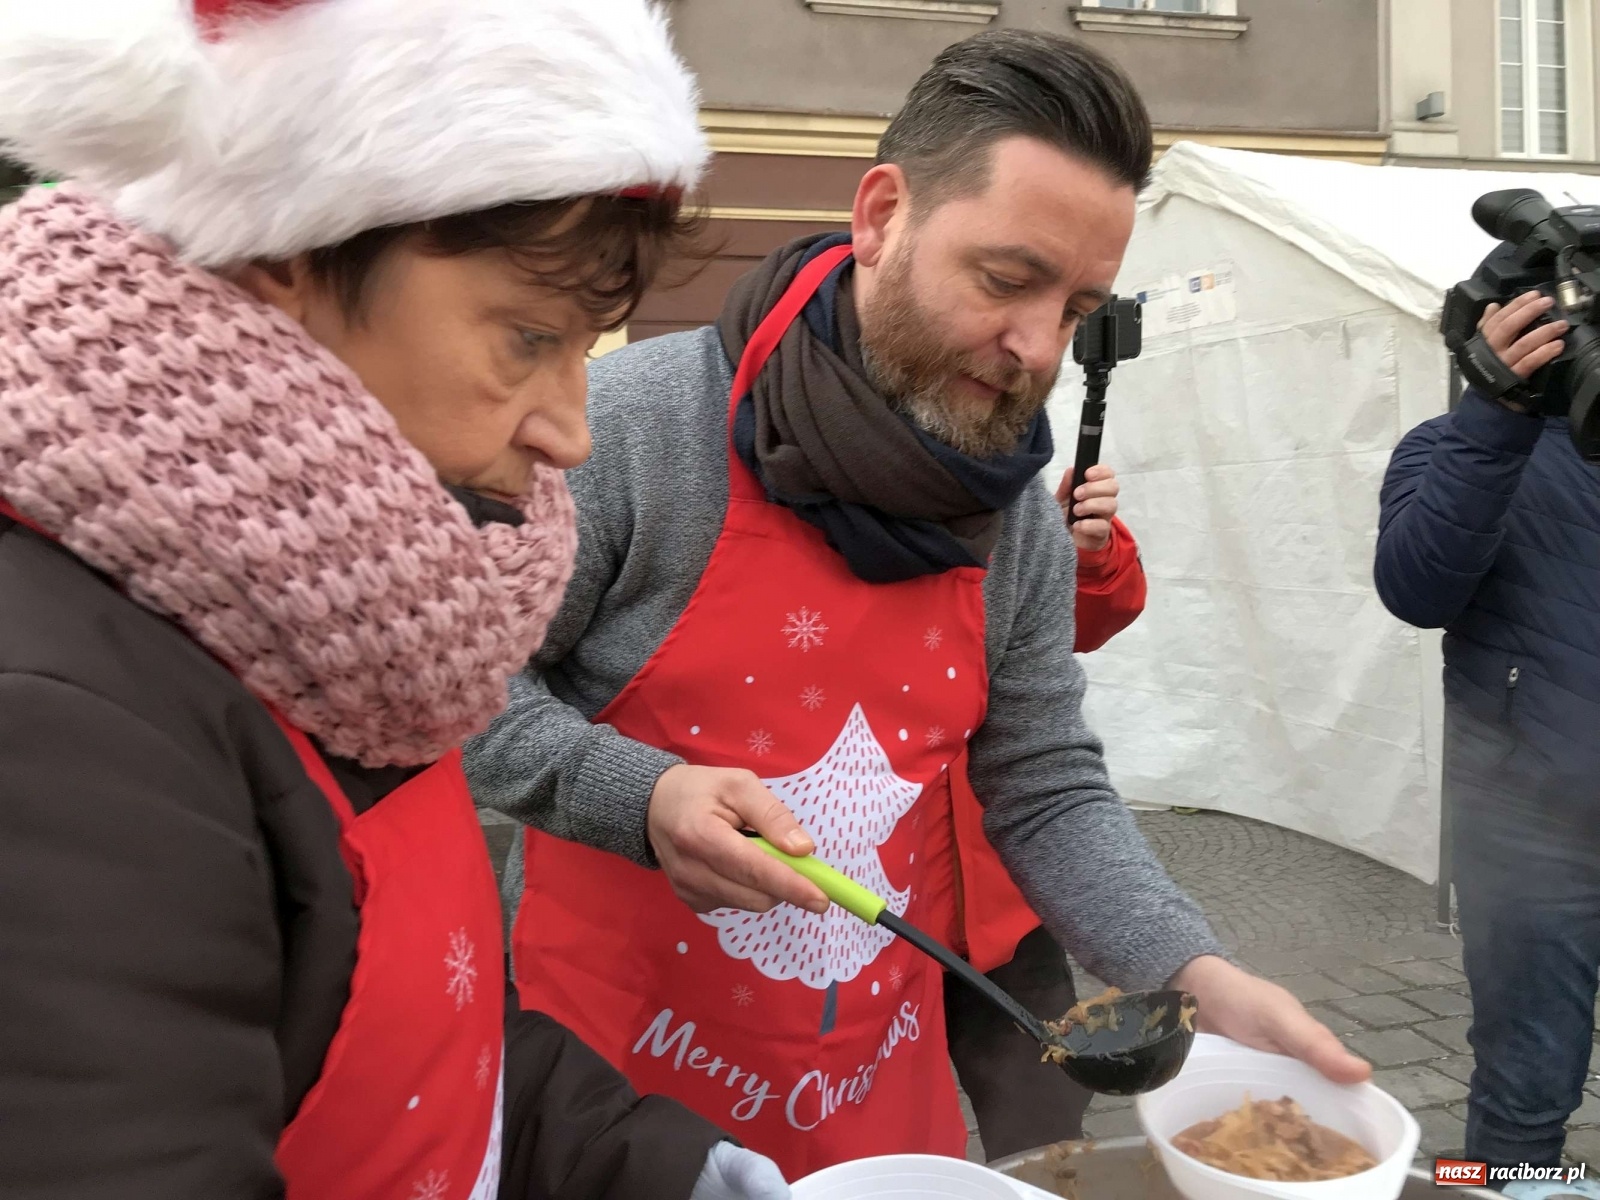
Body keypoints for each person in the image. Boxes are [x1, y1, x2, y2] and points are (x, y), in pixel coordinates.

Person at [466, 30, 1367, 1181]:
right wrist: (637, 797)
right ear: (883, 216)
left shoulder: (1019, 520)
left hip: (871, 1092)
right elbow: (469, 693)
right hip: (606, 1099)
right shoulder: (630, 431)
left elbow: (1041, 778)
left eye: (1079, 308)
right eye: (1006, 280)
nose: (1036, 348)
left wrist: (1194, 974)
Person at [0, 1, 791, 1198]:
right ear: (292, 256)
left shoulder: (355, 617)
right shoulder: (60, 732)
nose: (571, 432)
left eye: (588, 345)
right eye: (528, 337)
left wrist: (669, 1173)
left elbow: (431, 1037)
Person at [1376, 290, 1600, 1195]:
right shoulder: (1449, 445)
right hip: (1528, 829)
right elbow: (1415, 589)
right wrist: (1497, 416)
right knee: (1524, 1088)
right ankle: (1493, 1184)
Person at [945, 460, 1148, 1162]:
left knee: (1047, 1124)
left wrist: (1084, 558)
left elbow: (1071, 632)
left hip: (1003, 896)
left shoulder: (1008, 492)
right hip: (862, 914)